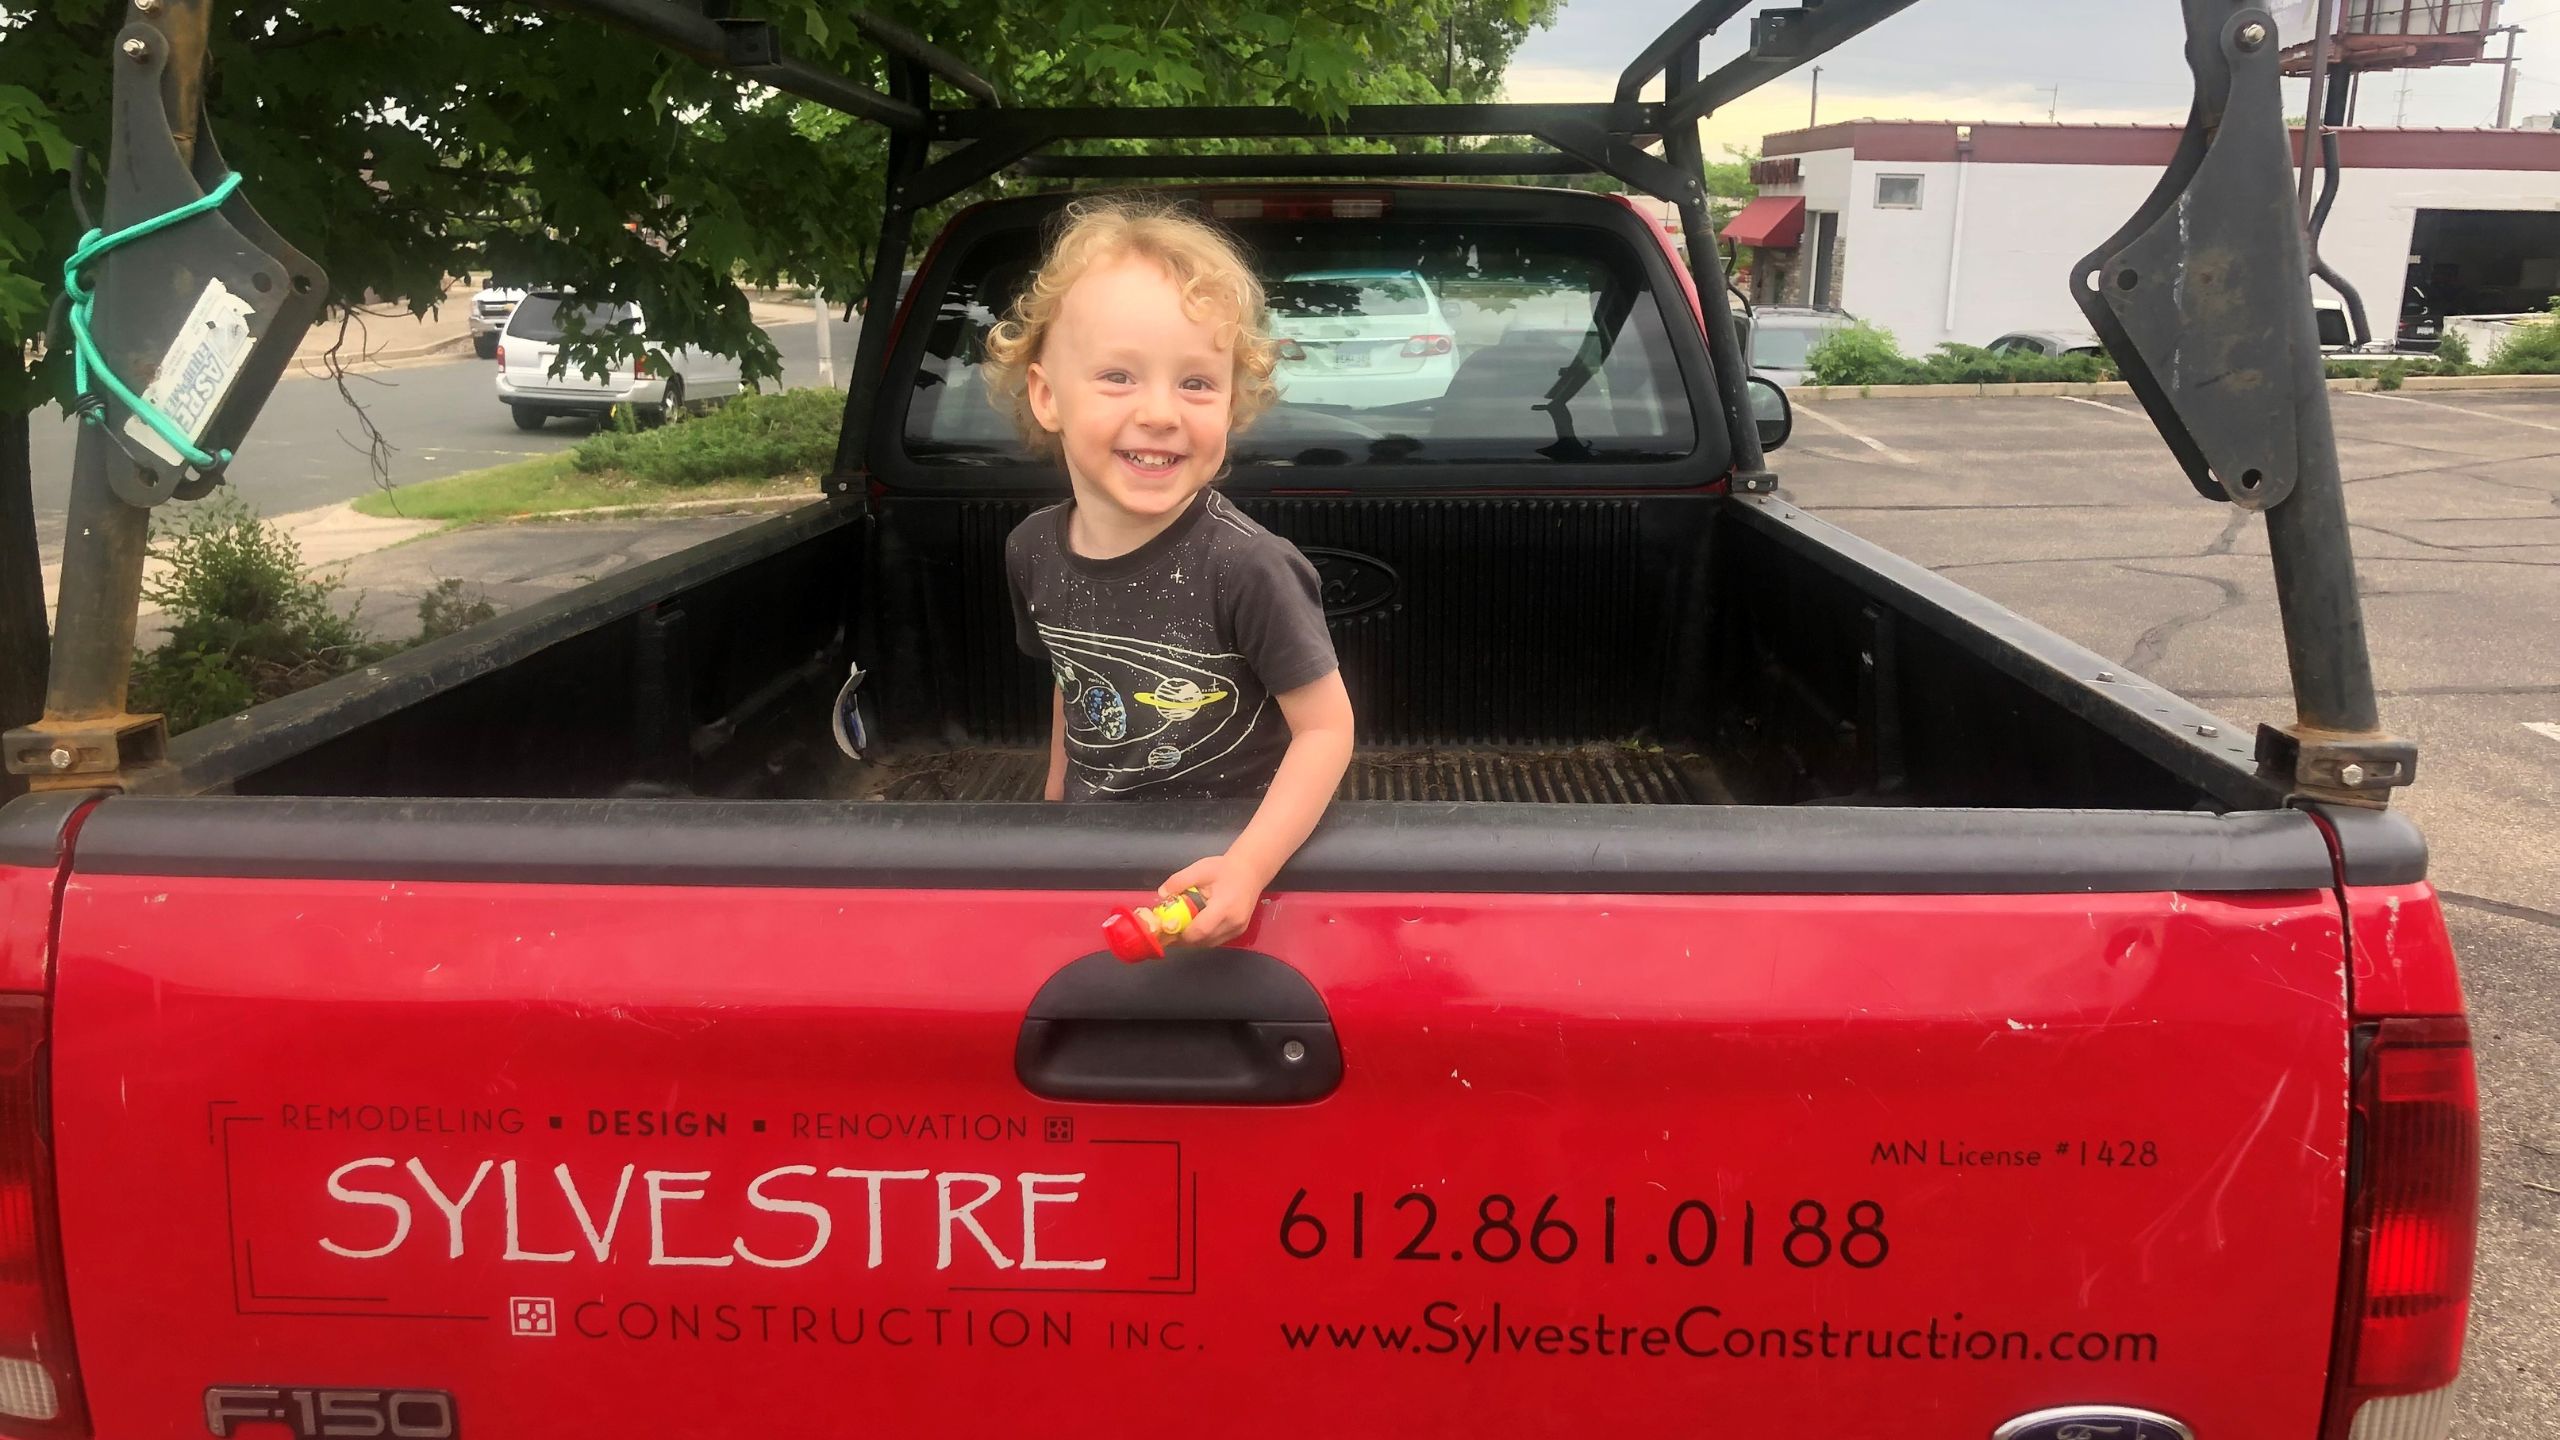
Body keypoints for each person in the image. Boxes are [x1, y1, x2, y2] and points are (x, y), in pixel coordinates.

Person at [983, 197, 1354, 950]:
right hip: (1095, 857)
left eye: (1196, 383)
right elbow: (1073, 679)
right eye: (1118, 376)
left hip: (1225, 868)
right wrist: (1054, 812)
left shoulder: (1247, 565)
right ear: (1047, 396)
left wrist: (1249, 867)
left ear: (1232, 403)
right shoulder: (1032, 549)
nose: (1160, 412)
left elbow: (1326, 729)